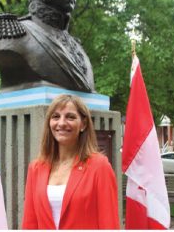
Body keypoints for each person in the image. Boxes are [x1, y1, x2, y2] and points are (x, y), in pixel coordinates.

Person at [21, 94, 120, 229]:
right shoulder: (36, 168)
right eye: (56, 116)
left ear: (83, 124)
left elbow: (109, 224)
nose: (61, 123)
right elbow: (30, 224)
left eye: (70, 117)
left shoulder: (99, 166)